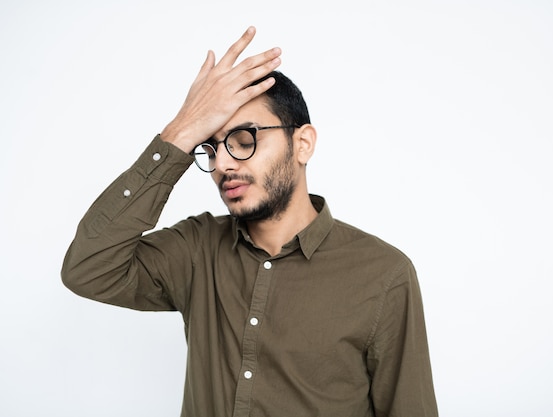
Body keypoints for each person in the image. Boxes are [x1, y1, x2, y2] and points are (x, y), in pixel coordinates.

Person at [61, 26, 438, 417]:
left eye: (245, 140)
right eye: (209, 146)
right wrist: (180, 131)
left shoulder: (383, 274)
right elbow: (88, 269)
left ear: (303, 144)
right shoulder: (197, 249)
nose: (222, 164)